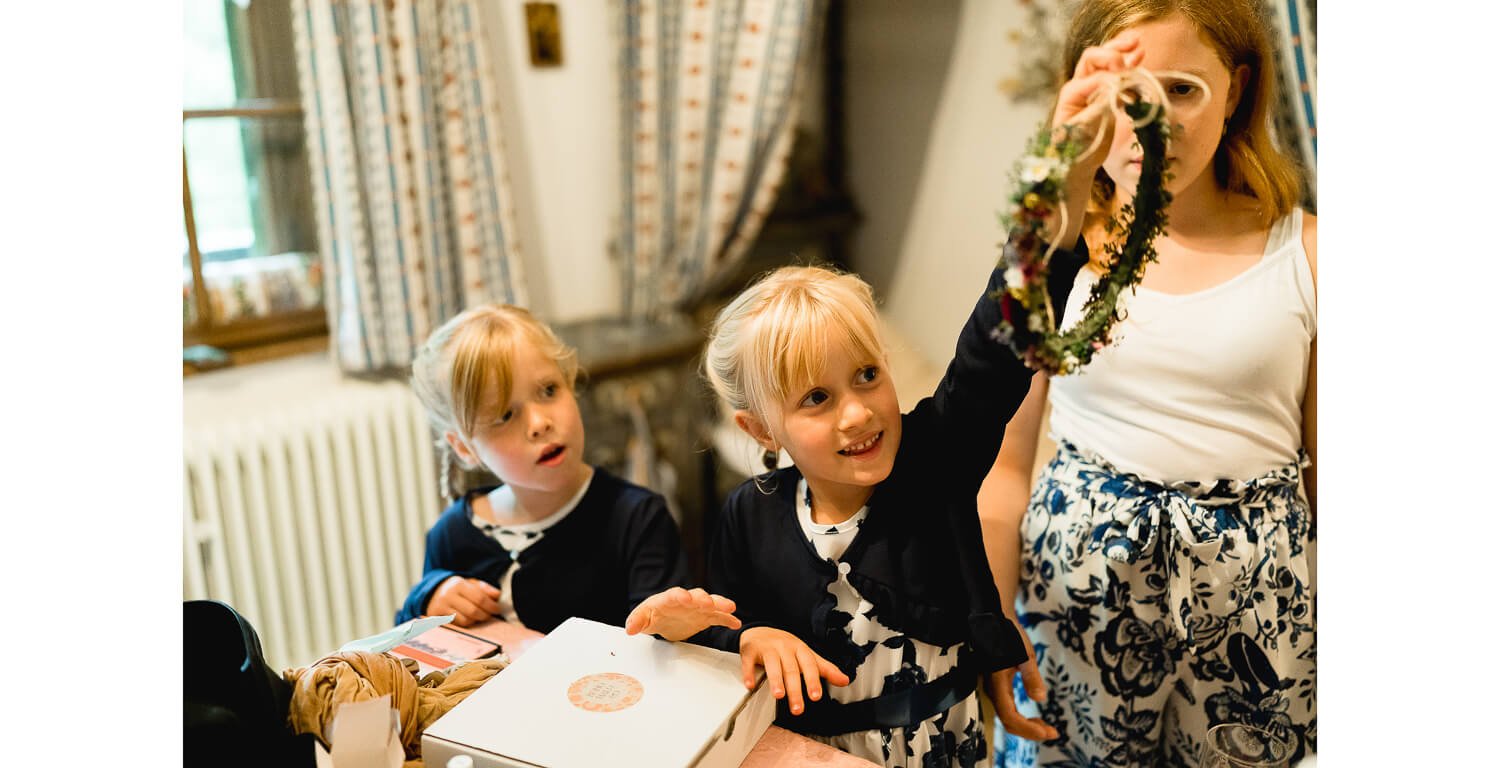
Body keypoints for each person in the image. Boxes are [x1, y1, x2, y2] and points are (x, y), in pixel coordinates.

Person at [981, 1, 1316, 765]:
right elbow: (1003, 466)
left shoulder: (1310, 252)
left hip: (1256, 614)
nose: (1148, 126)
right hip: (1074, 599)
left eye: (1182, 90)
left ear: (1236, 89)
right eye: (1124, 93)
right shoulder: (1048, 248)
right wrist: (991, 619)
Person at [627, 259, 1079, 768]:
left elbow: (991, 356)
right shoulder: (748, 514)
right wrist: (741, 634)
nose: (858, 413)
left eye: (867, 375)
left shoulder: (935, 462)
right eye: (816, 397)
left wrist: (1051, 221)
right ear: (761, 431)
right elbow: (734, 634)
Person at [394, 304, 740, 639]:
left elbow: (664, 639)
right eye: (505, 415)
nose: (539, 423)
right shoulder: (452, 532)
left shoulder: (637, 517)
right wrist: (429, 595)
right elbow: (411, 640)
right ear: (465, 448)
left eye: (548, 390)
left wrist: (672, 626)